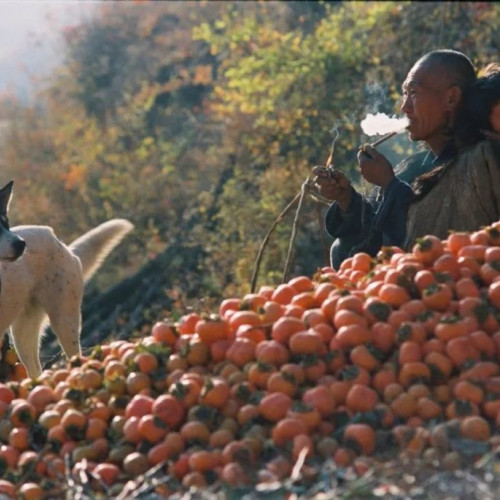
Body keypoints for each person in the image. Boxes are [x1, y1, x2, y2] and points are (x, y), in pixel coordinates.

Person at [314, 49, 476, 269]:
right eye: (404, 93)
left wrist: (389, 184)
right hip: (390, 289)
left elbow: (423, 243)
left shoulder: (474, 164)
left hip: (437, 286)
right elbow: (374, 236)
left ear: (451, 98)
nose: (404, 107)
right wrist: (348, 201)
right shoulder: (417, 165)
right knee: (343, 246)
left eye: (414, 93)